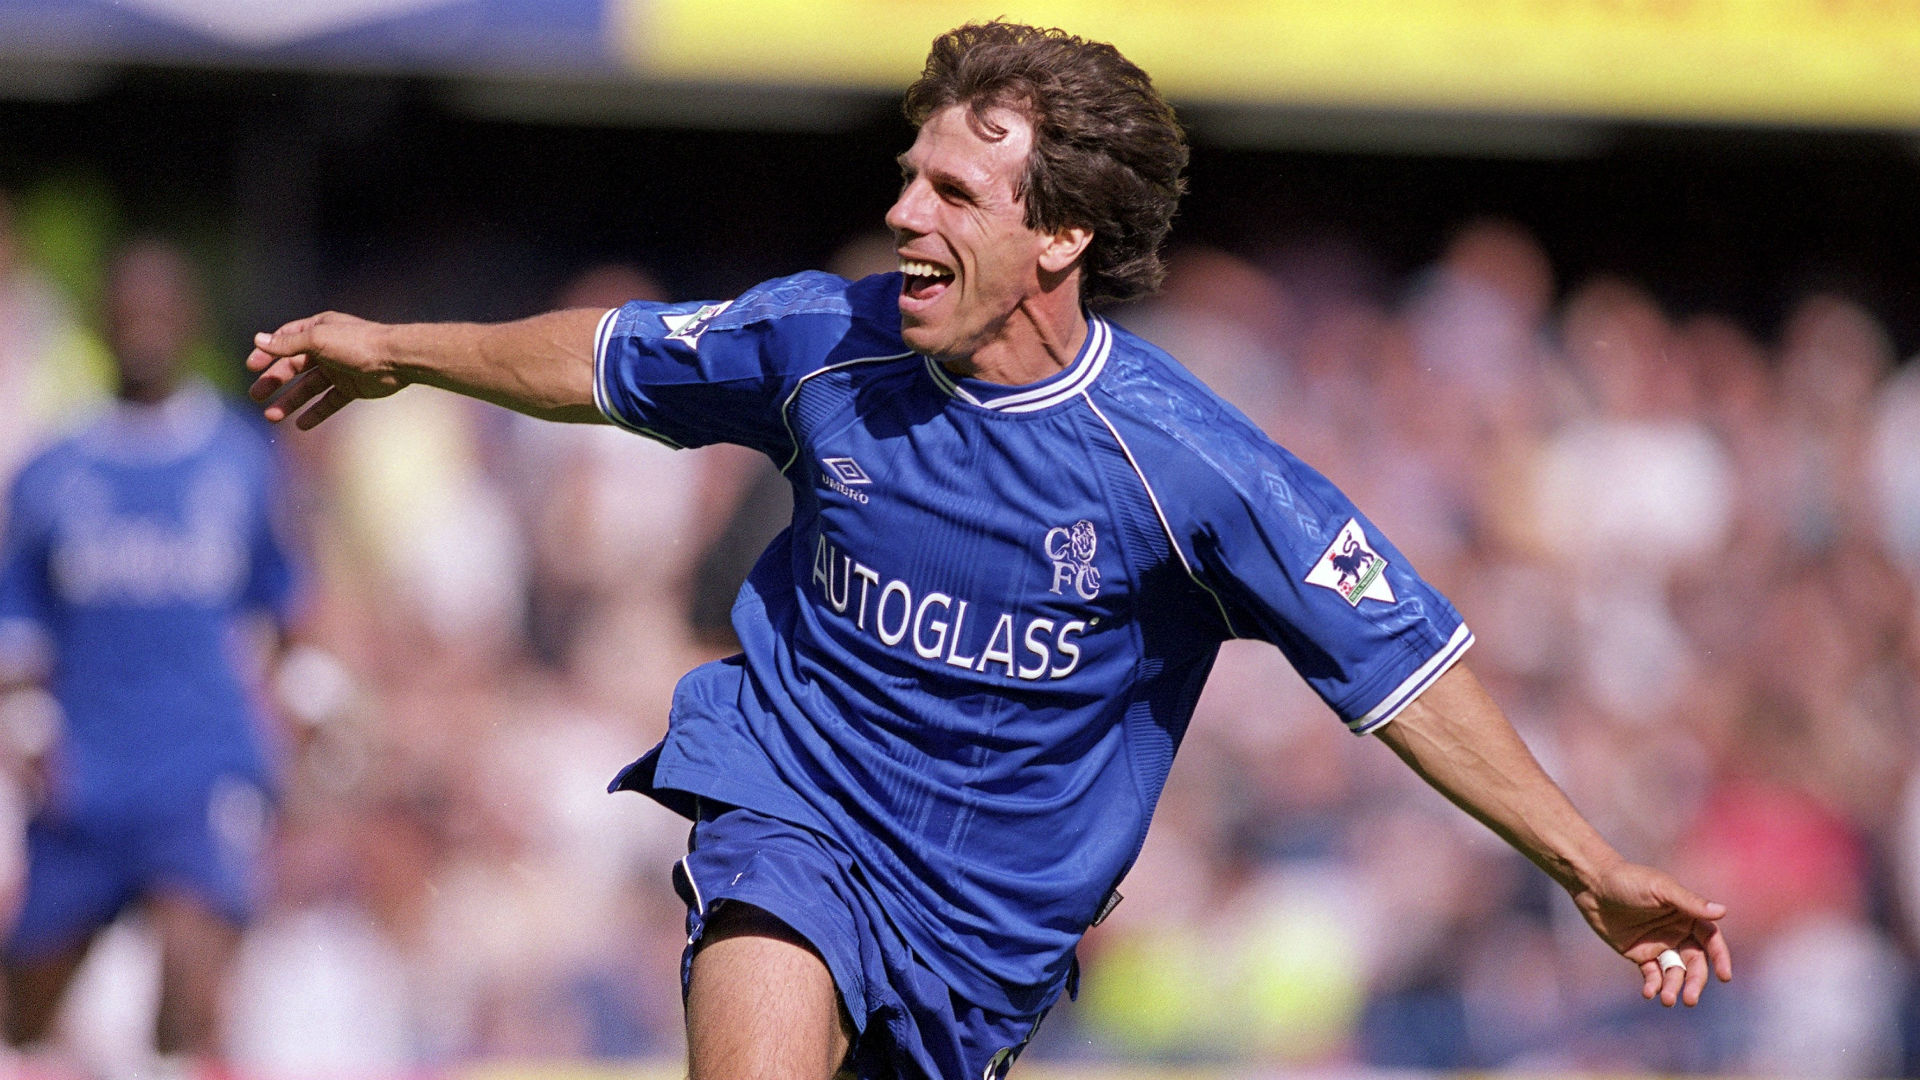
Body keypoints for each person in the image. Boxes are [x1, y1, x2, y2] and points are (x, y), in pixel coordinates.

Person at [244, 21, 1731, 1080]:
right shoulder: (821, 340)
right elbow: (607, 359)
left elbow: (1404, 667)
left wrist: (1591, 864)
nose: (904, 212)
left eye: (954, 193)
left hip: (984, 939)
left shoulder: (1188, 466)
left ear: (1060, 234)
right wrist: (398, 351)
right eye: (911, 176)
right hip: (794, 813)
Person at [0, 240, 302, 1064]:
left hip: (200, 765)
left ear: (191, 320)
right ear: (103, 322)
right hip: (84, 774)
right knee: (24, 1008)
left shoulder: (239, 460)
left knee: (189, 981)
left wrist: (308, 705)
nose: (144, 328)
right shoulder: (53, 472)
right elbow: (16, 617)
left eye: (160, 309)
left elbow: (285, 600)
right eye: (128, 311)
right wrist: (25, 719)